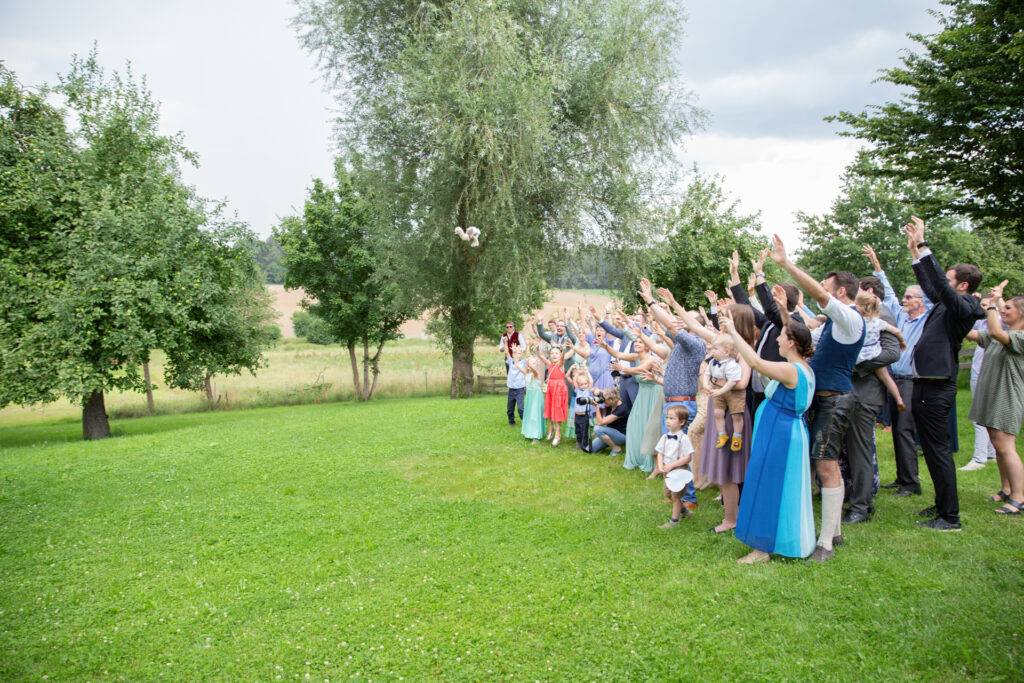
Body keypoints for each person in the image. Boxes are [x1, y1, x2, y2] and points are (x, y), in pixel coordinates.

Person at [770, 233, 865, 562]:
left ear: (840, 292)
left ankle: (825, 544)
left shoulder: (851, 320)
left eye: (827, 286)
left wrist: (786, 263)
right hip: (821, 400)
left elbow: (819, 294)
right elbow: (799, 342)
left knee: (826, 466)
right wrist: (785, 312)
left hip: (836, 399)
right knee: (823, 464)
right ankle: (834, 532)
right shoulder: (831, 325)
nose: (822, 290)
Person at [904, 216, 983, 531]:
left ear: (962, 286)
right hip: (925, 385)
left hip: (938, 389)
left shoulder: (963, 306)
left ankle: (950, 517)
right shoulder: (946, 306)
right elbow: (930, 285)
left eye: (949, 280)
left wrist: (924, 245)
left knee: (937, 452)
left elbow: (938, 284)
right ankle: (940, 506)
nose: (943, 284)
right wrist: (914, 255)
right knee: (932, 451)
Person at [720, 308, 817, 563]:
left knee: (767, 486)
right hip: (782, 431)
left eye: (781, 336)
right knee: (778, 487)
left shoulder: (792, 370)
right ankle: (773, 541)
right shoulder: (798, 369)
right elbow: (763, 374)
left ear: (791, 342)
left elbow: (756, 364)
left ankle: (761, 550)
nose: (776, 340)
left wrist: (732, 331)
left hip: (779, 435)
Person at [966, 282, 1024, 514]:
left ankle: (1019, 498)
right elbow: (972, 334)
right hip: (993, 396)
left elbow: (995, 332)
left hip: (1007, 397)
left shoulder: (1019, 337)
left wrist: (991, 307)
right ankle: (1006, 489)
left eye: (1008, 308)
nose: (1004, 311)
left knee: (1005, 446)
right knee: (997, 446)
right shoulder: (1003, 336)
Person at [960, 316, 998, 471]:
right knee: (984, 414)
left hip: (989, 373)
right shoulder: (981, 323)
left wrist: (995, 303)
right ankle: (990, 453)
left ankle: (979, 458)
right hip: (978, 372)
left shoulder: (999, 323)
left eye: (986, 304)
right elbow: (967, 327)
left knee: (980, 415)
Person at [655, 405, 695, 528]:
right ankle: (684, 511)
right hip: (668, 470)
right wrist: (661, 465)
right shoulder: (665, 437)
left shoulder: (684, 438)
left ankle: (674, 521)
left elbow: (688, 457)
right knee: (668, 494)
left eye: (672, 418)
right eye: (667, 418)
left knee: (676, 496)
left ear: (682, 422)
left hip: (679, 470)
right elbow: (660, 452)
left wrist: (672, 465)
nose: (667, 421)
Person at [705, 335, 746, 452]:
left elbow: (733, 383)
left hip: (734, 393)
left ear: (726, 352)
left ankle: (737, 436)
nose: (712, 351)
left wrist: (720, 391)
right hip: (718, 390)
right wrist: (705, 384)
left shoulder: (732, 365)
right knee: (717, 412)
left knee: (736, 415)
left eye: (715, 349)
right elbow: (707, 373)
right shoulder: (713, 362)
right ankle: (722, 434)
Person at [518, 346, 546, 443]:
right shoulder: (526, 373)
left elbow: (534, 371)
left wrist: (530, 365)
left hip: (537, 397)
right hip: (530, 397)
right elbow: (517, 364)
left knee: (535, 414)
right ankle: (530, 432)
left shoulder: (536, 373)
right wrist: (515, 355)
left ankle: (536, 437)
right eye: (532, 363)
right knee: (530, 414)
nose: (533, 365)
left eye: (534, 363)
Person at [541, 346, 569, 446]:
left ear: (560, 355)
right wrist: (536, 348)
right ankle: (551, 427)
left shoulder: (560, 364)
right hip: (551, 388)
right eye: (552, 353)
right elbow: (541, 357)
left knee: (557, 409)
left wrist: (564, 350)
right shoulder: (549, 364)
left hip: (559, 389)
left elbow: (561, 359)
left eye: (557, 353)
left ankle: (557, 433)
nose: (554, 355)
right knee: (549, 408)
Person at [590, 388, 630, 456]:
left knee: (597, 429)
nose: (604, 401)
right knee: (590, 449)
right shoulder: (610, 404)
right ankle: (608, 443)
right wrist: (597, 391)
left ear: (611, 399)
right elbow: (607, 392)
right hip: (610, 433)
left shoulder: (621, 409)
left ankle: (616, 448)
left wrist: (597, 407)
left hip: (622, 436)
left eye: (605, 400)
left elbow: (600, 423)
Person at [571, 368, 596, 452]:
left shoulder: (588, 390)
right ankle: (579, 443)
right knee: (578, 430)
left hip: (584, 415)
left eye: (585, 384)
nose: (584, 385)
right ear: (579, 385)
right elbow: (574, 381)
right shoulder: (578, 390)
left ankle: (584, 445)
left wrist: (587, 371)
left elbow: (591, 382)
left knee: (583, 431)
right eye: (581, 384)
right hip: (577, 415)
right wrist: (578, 373)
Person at [505, 344, 526, 426]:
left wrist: (527, 346)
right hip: (511, 389)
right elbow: (507, 352)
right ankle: (511, 422)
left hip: (519, 390)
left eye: (520, 353)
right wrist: (506, 342)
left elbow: (527, 356)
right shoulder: (510, 362)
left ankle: (525, 423)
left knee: (520, 408)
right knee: (510, 409)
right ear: (513, 354)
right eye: (517, 353)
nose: (518, 354)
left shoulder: (523, 363)